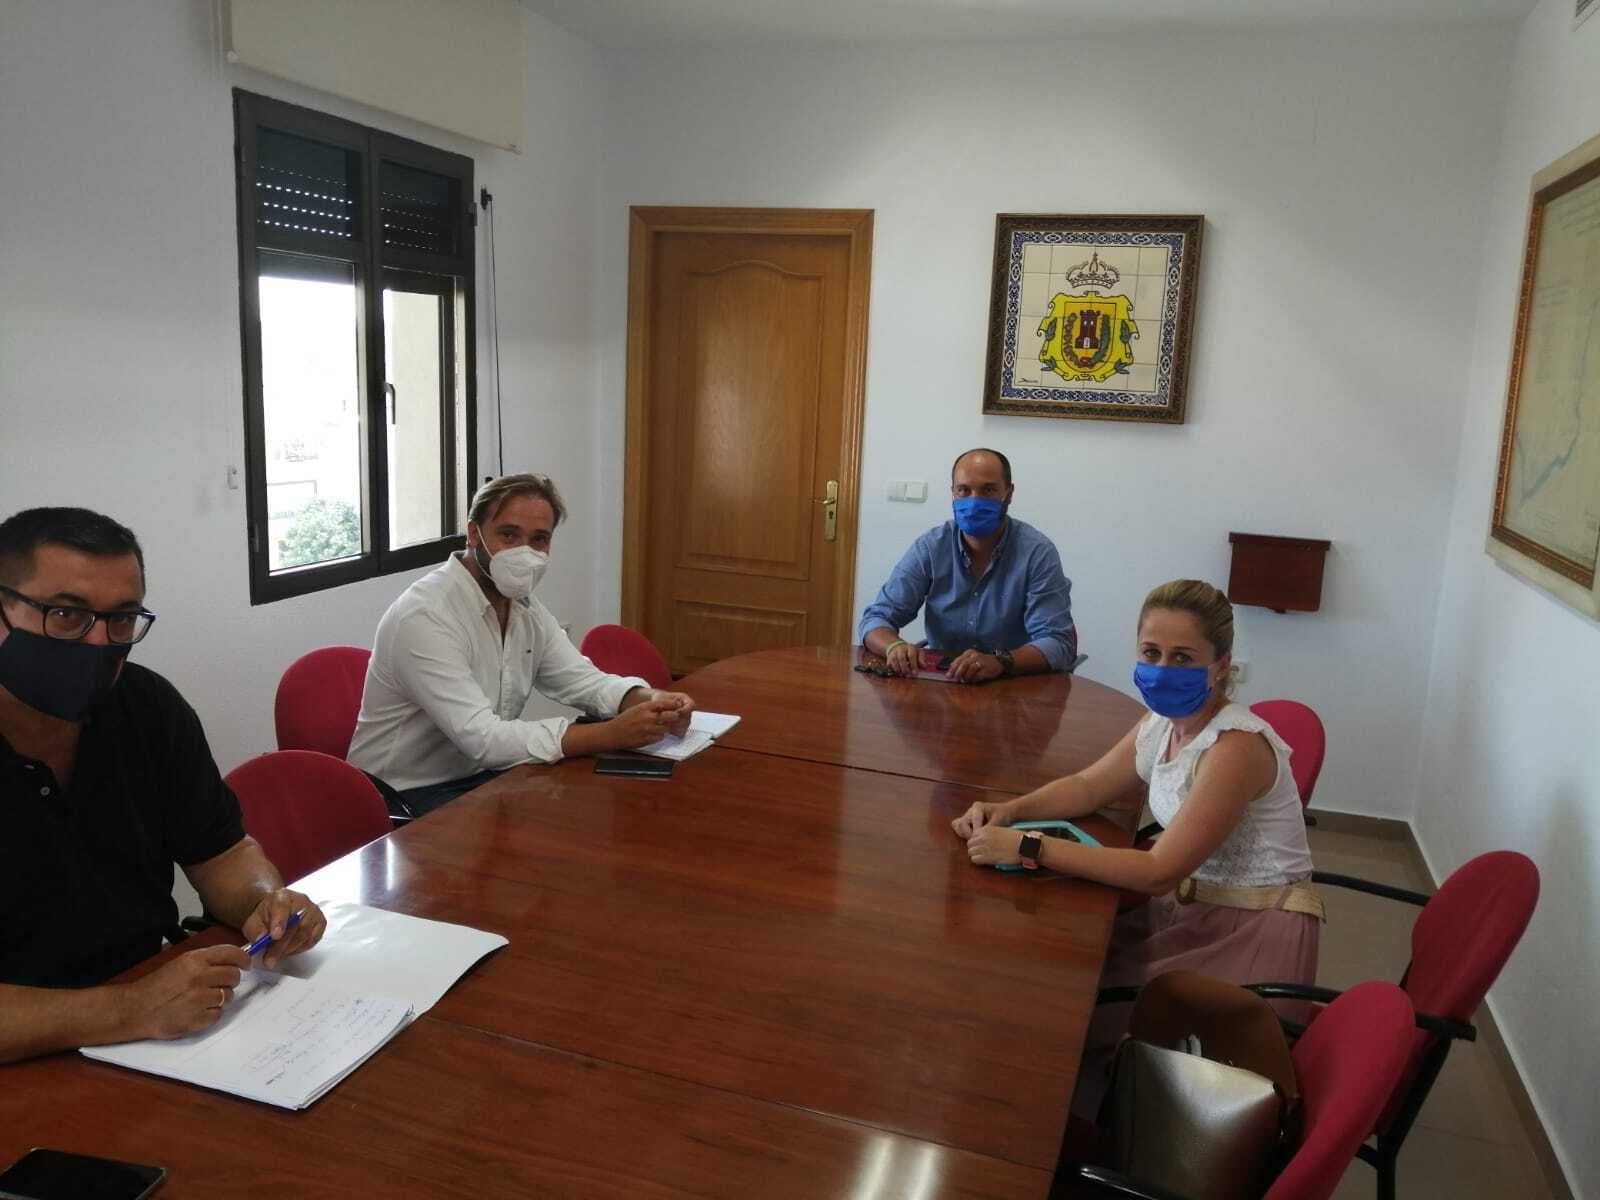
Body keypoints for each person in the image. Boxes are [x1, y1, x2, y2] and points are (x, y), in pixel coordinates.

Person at [951, 579, 1320, 1115]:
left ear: (1222, 666)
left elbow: (1156, 872)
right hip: (1195, 908)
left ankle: (1069, 1133)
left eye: (1183, 656)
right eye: (1151, 653)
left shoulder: (1235, 747)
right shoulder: (1163, 722)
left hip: (1251, 933)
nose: (1162, 669)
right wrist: (1010, 809)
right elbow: (1087, 786)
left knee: (1075, 1010)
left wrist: (1029, 847)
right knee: (1060, 976)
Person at [0, 507, 326, 1065]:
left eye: (121, 620)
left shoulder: (147, 707)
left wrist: (262, 901)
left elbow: (221, 851)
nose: (98, 643)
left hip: (151, 1036)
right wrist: (130, 1009)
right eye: (65, 614)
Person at [349, 473, 696, 815]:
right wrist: (612, 734)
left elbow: (580, 680)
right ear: (474, 534)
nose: (524, 553)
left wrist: (649, 701)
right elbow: (484, 739)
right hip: (401, 798)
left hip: (481, 777)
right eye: (508, 535)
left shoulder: (524, 608)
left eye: (539, 539)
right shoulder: (425, 616)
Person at [858, 448, 1076, 683]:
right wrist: (895, 646)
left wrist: (1001, 661)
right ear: (952, 492)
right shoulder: (931, 547)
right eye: (964, 490)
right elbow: (876, 619)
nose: (974, 501)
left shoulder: (1037, 553)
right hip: (944, 683)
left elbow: (1057, 642)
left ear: (1009, 493)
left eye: (988, 490)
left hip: (1013, 685)